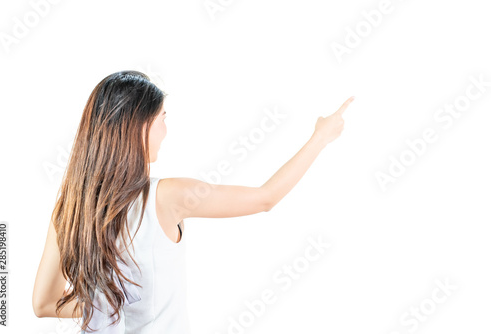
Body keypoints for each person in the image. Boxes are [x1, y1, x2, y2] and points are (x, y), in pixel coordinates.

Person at [32, 70, 354, 333]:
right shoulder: (167, 196)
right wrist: (321, 137)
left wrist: (106, 304)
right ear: (140, 128)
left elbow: (43, 304)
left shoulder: (69, 210)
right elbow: (265, 198)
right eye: (162, 119)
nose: (166, 130)